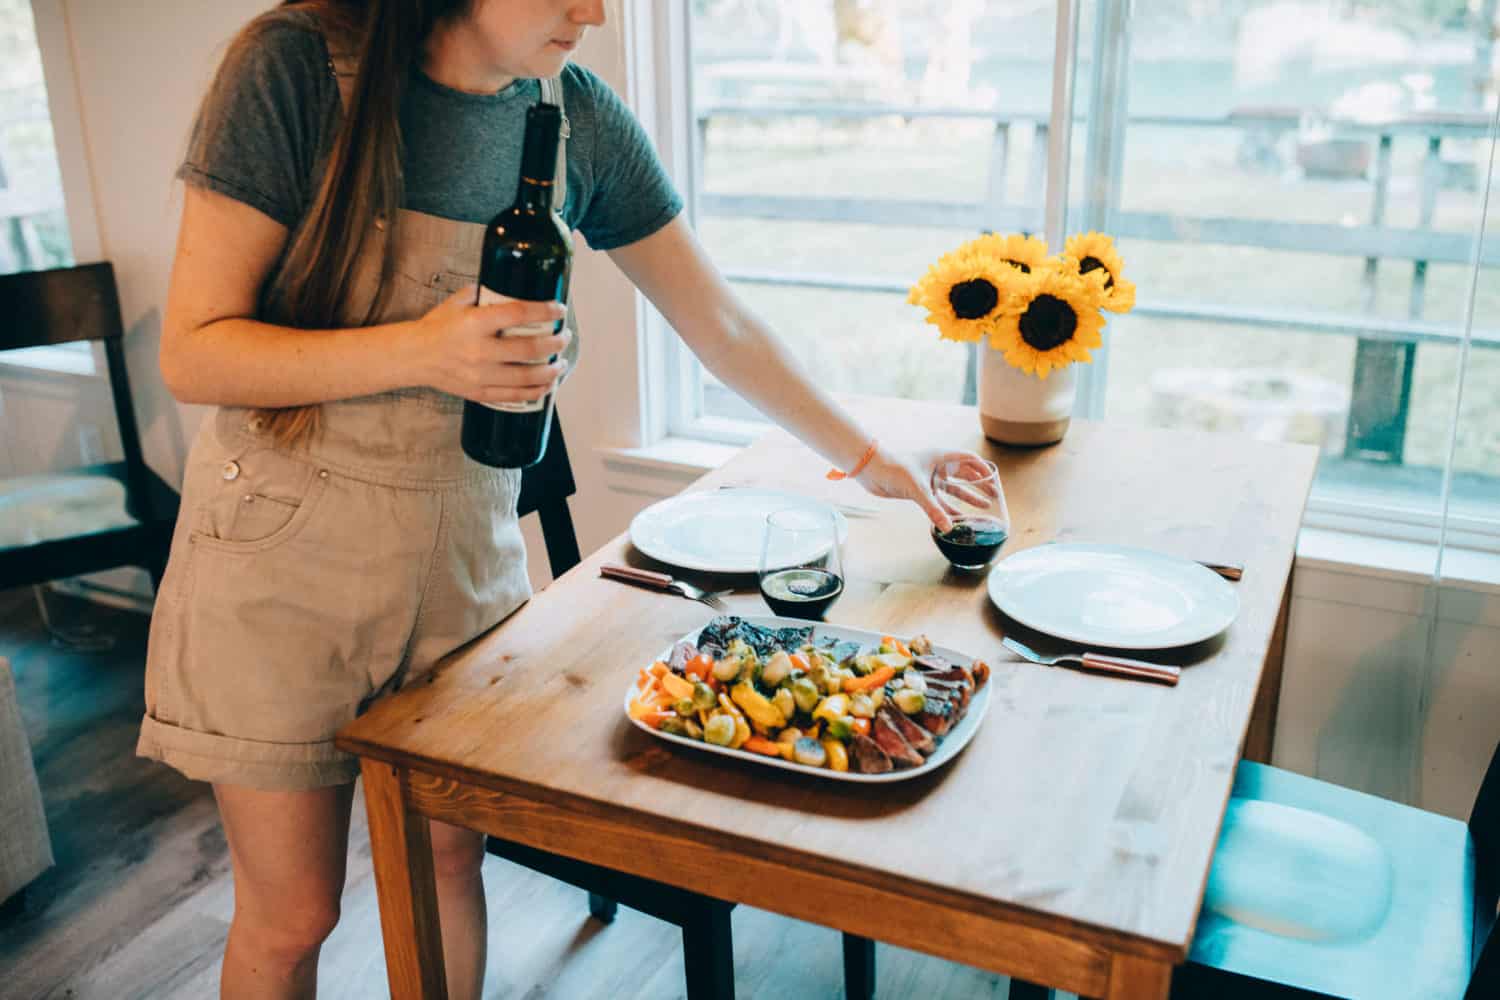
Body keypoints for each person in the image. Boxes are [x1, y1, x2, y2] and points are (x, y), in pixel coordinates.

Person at [138, 1, 989, 997]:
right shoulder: (293, 71)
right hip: (277, 564)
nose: (596, 12)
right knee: (295, 914)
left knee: (452, 860)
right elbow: (194, 350)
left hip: (459, 563)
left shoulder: (574, 116)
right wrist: (423, 347)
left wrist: (877, 455)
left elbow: (717, 320)